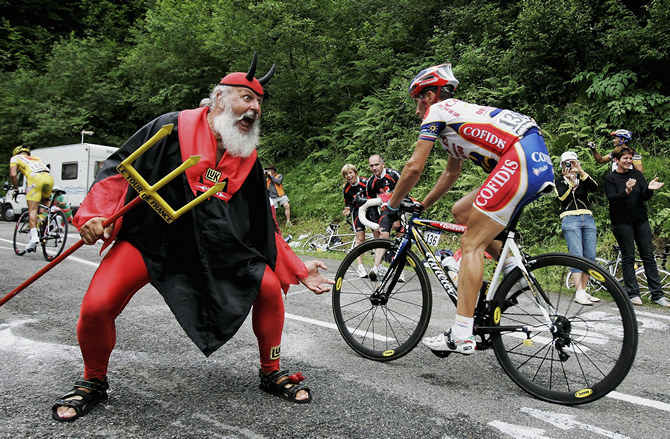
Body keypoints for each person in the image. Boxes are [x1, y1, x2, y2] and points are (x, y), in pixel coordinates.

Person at [51, 53, 335, 422]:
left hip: (215, 247)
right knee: (96, 306)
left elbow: (262, 223)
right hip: (153, 239)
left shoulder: (247, 156)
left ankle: (271, 371)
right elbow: (117, 170)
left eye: (259, 103)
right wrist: (93, 215)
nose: (254, 109)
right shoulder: (171, 127)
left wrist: (295, 268)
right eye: (246, 98)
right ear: (219, 99)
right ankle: (92, 381)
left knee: (267, 288)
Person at [385, 63, 554, 355]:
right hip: (532, 158)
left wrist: (392, 205)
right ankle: (514, 274)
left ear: (428, 96)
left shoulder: (439, 111)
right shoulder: (457, 117)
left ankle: (462, 334)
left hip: (518, 159)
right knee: (462, 211)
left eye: (417, 102)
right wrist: (423, 204)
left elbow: (413, 167)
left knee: (470, 243)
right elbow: (451, 174)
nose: (417, 111)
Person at [605, 147, 668, 307]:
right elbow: (613, 199)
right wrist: (626, 190)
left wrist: (650, 189)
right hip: (621, 222)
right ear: (616, 160)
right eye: (625, 158)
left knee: (648, 256)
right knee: (628, 257)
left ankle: (658, 295)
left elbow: (644, 196)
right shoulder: (611, 178)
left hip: (640, 220)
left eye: (630, 158)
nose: (628, 161)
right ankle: (633, 294)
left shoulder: (637, 174)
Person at [555, 151, 600, 305]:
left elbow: (595, 188)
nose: (570, 165)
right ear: (562, 165)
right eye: (567, 163)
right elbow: (562, 197)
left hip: (587, 217)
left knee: (590, 255)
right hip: (569, 218)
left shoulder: (583, 178)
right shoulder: (559, 181)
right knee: (576, 255)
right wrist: (569, 182)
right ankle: (578, 291)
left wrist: (580, 171)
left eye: (573, 162)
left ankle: (584, 290)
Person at [8, 145, 54, 251]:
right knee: (46, 201)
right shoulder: (37, 158)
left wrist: (15, 189)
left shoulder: (15, 158)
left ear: (16, 153)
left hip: (35, 178)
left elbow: (13, 175)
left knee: (32, 209)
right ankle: (54, 217)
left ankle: (34, 238)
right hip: (49, 177)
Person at [366, 154, 402, 280]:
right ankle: (376, 268)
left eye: (376, 164)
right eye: (371, 166)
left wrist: (398, 218)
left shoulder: (394, 175)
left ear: (383, 164)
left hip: (401, 209)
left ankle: (398, 269)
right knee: (383, 235)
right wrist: (375, 225)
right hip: (386, 211)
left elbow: (405, 194)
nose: (374, 168)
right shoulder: (370, 182)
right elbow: (371, 206)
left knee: (400, 239)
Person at [341, 163, 369, 278]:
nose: (349, 176)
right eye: (346, 174)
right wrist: (348, 209)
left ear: (355, 173)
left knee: (378, 235)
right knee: (360, 239)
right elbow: (348, 203)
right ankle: (360, 267)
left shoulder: (366, 182)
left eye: (350, 173)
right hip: (358, 212)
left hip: (371, 209)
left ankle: (378, 266)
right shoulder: (346, 189)